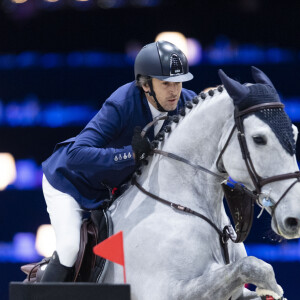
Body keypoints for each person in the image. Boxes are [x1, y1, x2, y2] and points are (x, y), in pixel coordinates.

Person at [40, 40, 197, 282]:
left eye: (178, 82)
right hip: (70, 183)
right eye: (166, 83)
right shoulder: (122, 103)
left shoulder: (187, 103)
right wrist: (130, 154)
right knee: (70, 249)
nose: (174, 91)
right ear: (146, 85)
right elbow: (76, 155)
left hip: (111, 193)